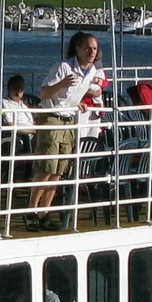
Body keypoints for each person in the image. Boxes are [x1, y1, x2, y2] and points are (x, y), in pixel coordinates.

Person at [31, 32, 106, 231]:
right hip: (53, 118)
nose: (92, 52)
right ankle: (30, 211)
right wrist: (62, 84)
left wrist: (77, 102)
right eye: (88, 48)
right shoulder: (63, 67)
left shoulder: (91, 72)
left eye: (95, 48)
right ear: (78, 49)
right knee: (46, 167)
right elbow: (44, 92)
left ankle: (44, 212)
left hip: (69, 120)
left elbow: (83, 92)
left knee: (58, 171)